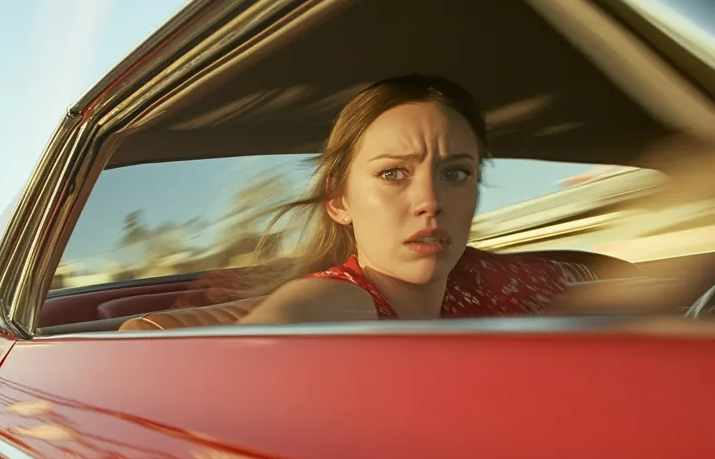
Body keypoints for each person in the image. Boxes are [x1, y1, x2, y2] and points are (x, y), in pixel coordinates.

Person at [239, 74, 575, 324]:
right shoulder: (336, 300)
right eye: (392, 173)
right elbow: (269, 336)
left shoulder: (485, 278)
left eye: (455, 174)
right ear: (339, 201)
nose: (430, 202)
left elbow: (592, 297)